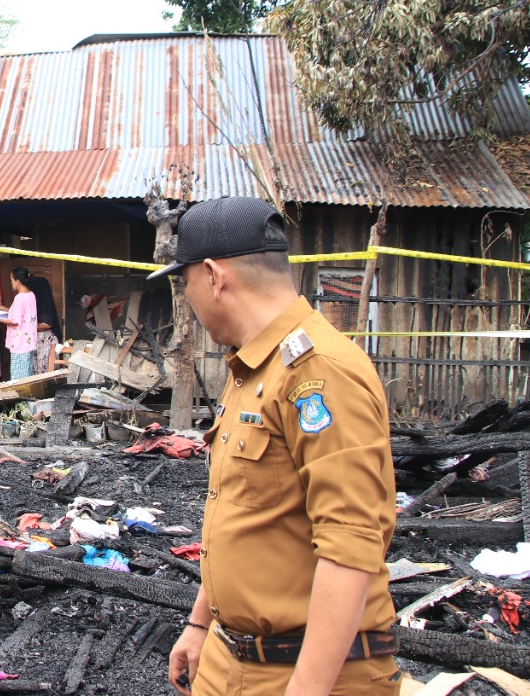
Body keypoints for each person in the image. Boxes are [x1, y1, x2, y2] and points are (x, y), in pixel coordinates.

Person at [154, 197, 399, 696]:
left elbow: (350, 546)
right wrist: (201, 624)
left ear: (214, 277)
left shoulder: (319, 371)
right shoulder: (253, 367)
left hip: (307, 671)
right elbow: (244, 516)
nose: (189, 300)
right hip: (232, 656)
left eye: (185, 284)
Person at [0, 267, 38, 380]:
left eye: (11, 279)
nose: (11, 282)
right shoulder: (31, 295)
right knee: (27, 376)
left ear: (18, 281)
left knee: (19, 379)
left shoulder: (19, 297)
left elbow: (14, 321)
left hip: (20, 343)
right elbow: (22, 314)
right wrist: (1, 308)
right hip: (29, 342)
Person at [28, 274, 61, 372]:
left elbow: (46, 324)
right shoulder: (31, 302)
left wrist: (26, 327)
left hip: (44, 343)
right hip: (35, 342)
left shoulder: (45, 305)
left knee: (44, 374)